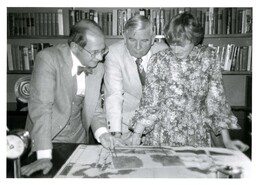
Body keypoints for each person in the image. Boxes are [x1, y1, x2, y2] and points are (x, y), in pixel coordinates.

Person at [127, 12, 249, 152]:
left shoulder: (208, 58)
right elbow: (150, 103)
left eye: (181, 45)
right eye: (172, 44)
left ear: (194, 39)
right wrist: (136, 135)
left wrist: (226, 141)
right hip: (162, 133)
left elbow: (216, 102)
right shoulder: (158, 60)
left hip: (196, 133)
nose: (175, 49)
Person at [21, 19, 123, 176]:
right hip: (47, 139)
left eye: (103, 50)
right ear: (75, 47)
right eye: (95, 52)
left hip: (78, 140)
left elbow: (94, 107)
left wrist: (103, 134)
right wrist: (43, 155)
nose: (100, 58)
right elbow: (42, 108)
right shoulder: (48, 59)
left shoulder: (98, 67)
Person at [104, 14, 168, 139]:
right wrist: (115, 133)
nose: (138, 47)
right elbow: (113, 94)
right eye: (132, 40)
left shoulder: (165, 52)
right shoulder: (113, 53)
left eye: (144, 41)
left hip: (158, 126)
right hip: (124, 126)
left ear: (153, 38)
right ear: (124, 37)